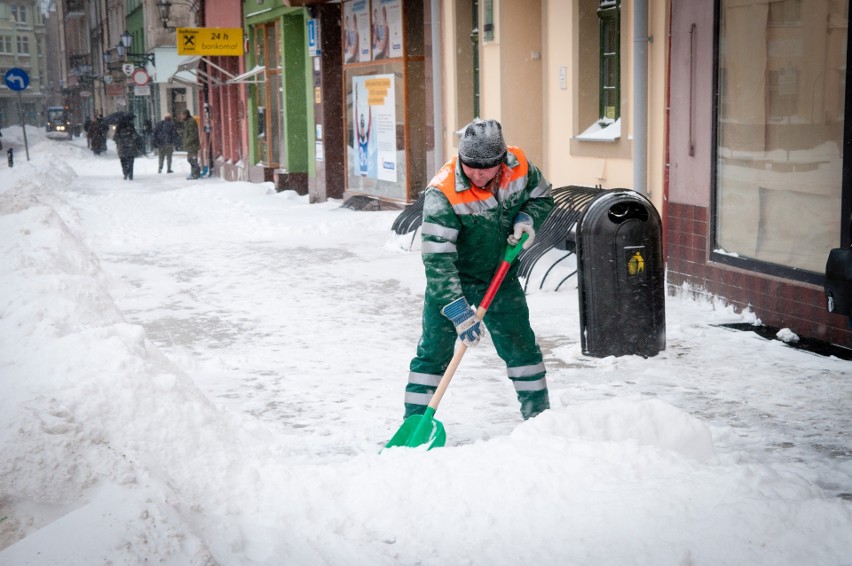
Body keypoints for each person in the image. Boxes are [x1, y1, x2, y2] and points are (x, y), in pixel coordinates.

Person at [403, 119, 555, 421]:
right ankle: (414, 423)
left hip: (500, 276)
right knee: (433, 354)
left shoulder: (519, 165)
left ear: (501, 161)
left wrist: (526, 218)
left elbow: (542, 196)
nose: (476, 173)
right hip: (450, 283)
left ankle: (539, 419)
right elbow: (437, 261)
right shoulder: (443, 193)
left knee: (521, 347)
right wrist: (457, 311)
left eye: (485, 167)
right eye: (470, 165)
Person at [113, 116, 138, 180]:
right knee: (131, 160)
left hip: (122, 146)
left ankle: (125, 172)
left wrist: (118, 140)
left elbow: (115, 138)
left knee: (123, 160)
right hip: (130, 146)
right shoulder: (131, 126)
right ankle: (130, 174)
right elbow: (135, 135)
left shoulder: (119, 127)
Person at [180, 109, 201, 179]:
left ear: (186, 115)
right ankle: (193, 173)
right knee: (190, 159)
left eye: (182, 115)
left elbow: (193, 135)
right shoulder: (187, 122)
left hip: (193, 145)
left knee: (192, 159)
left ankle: (195, 173)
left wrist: (187, 141)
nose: (181, 116)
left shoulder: (191, 122)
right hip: (190, 145)